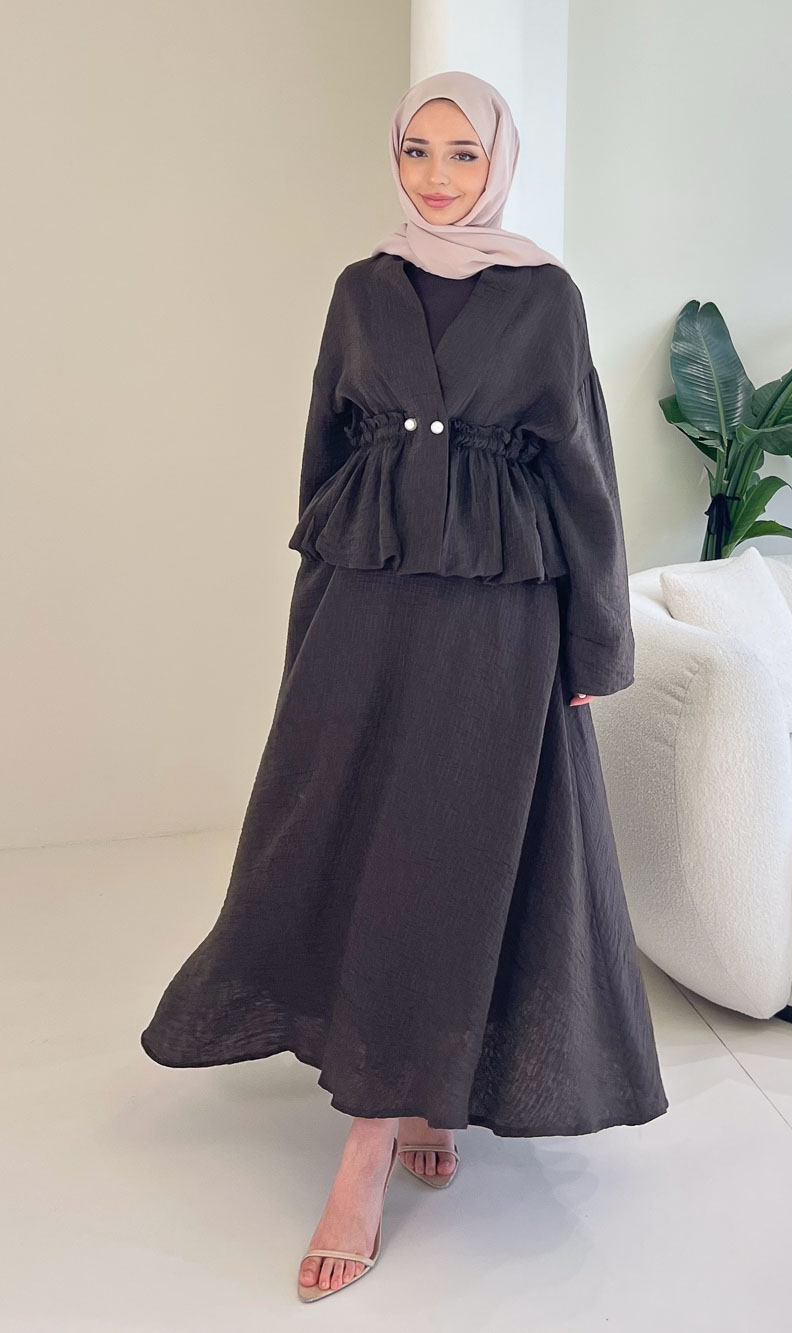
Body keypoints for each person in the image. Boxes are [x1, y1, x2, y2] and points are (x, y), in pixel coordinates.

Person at [139, 69, 669, 1304]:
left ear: (498, 163)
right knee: (349, 837)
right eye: (417, 151)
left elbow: (583, 476)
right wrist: (311, 616)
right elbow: (323, 455)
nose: (436, 177)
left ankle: (371, 1143)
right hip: (364, 607)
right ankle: (417, 1083)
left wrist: (595, 647)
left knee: (453, 854)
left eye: (461, 155)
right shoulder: (360, 288)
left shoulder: (545, 297)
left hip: (495, 622)